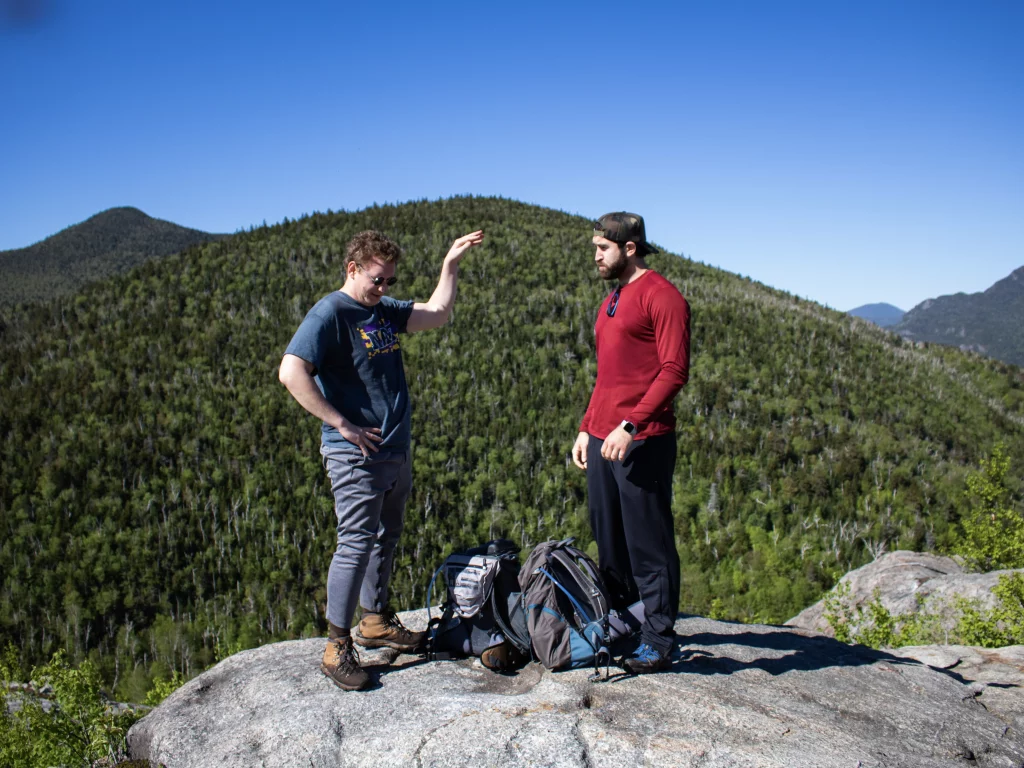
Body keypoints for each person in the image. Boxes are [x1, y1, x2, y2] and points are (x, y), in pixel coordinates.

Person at [279, 227, 484, 691]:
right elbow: (291, 371)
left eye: (389, 280)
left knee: (384, 538)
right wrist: (341, 424)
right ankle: (337, 646)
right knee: (354, 543)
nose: (384, 288)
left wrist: (449, 264)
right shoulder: (330, 313)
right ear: (352, 269)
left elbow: (436, 313)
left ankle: (374, 621)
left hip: (393, 451)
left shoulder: (382, 311)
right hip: (356, 455)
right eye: (376, 279)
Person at [571, 212, 691, 674]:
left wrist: (632, 425)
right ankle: (624, 623)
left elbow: (673, 371)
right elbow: (609, 376)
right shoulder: (613, 301)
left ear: (631, 247)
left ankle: (660, 638)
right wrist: (587, 425)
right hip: (603, 439)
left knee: (649, 543)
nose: (596, 256)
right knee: (611, 542)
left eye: (603, 248)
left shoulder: (663, 297)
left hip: (643, 440)